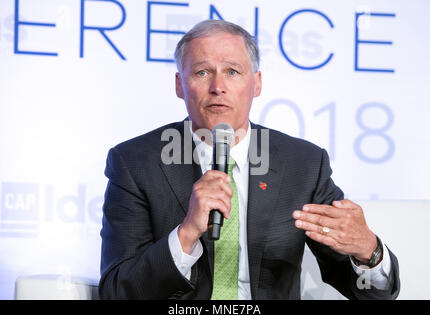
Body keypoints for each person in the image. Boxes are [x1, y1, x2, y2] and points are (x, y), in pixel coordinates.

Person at [98, 19, 400, 300]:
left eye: (232, 71)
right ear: (179, 84)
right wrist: (187, 233)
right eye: (202, 72)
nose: (218, 86)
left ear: (256, 83)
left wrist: (368, 252)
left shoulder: (303, 164)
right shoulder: (135, 163)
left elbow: (371, 294)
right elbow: (116, 291)